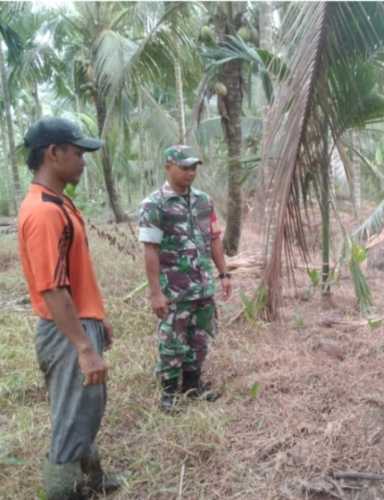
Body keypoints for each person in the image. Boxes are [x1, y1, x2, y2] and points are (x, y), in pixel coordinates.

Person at [18, 117, 121, 498]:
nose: (83, 161)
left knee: (85, 410)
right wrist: (83, 346)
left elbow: (73, 278)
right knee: (71, 421)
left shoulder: (59, 202)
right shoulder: (45, 212)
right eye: (78, 153)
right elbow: (53, 290)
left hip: (79, 322)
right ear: (53, 153)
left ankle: (92, 480)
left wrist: (97, 318)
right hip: (66, 333)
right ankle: (63, 491)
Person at [138, 145, 232, 413]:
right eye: (184, 167)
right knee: (172, 342)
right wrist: (156, 292)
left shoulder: (204, 201)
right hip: (174, 290)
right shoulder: (154, 204)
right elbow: (150, 250)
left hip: (203, 287)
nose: (190, 173)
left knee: (199, 338)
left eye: (194, 167)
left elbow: (214, 238)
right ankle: (168, 394)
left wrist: (224, 273)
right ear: (168, 167)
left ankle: (192, 387)